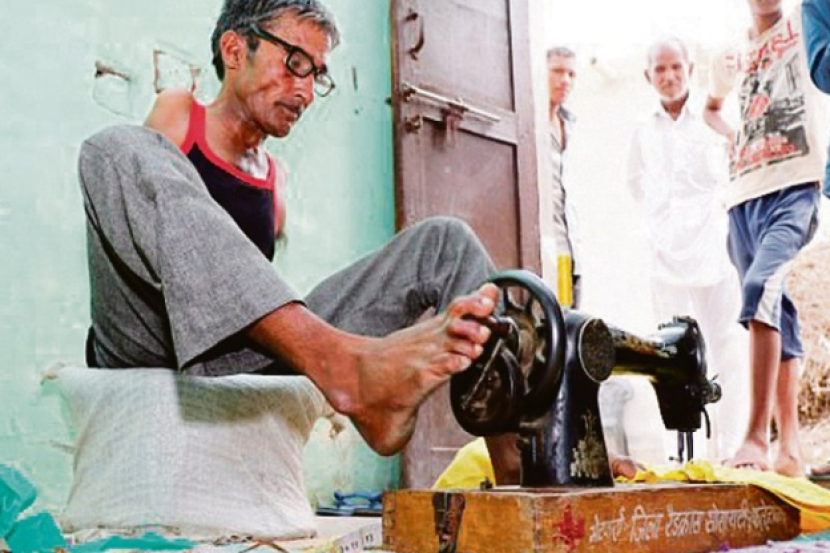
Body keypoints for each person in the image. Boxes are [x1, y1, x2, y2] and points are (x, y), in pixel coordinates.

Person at [79, 0, 502, 459]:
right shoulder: (180, 114)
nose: (304, 90)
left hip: (234, 355)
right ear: (235, 50)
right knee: (114, 148)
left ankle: (512, 456)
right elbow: (141, 213)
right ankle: (347, 368)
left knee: (445, 243)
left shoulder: (275, 177)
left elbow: (244, 288)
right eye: (295, 63)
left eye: (316, 74)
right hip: (150, 332)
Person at [704, 0, 825, 477]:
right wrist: (732, 135)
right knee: (777, 309)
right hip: (742, 197)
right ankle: (790, 447)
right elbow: (711, 109)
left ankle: (757, 436)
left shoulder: (803, 25)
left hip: (794, 187)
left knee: (760, 289)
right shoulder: (727, 54)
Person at [626, 37, 749, 462]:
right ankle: (680, 453)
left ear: (690, 70)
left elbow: (734, 172)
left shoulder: (714, 118)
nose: (669, 76)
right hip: (665, 258)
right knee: (669, 352)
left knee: (727, 346)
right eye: (660, 69)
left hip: (716, 249)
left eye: (676, 67)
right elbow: (636, 185)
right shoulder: (643, 130)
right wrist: (658, 229)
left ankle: (731, 449)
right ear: (648, 76)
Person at [547, 46, 582, 309]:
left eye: (571, 74)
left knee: (572, 324)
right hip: (546, 249)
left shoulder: (573, 126)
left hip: (572, 254)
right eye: (557, 71)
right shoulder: (530, 124)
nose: (565, 80)